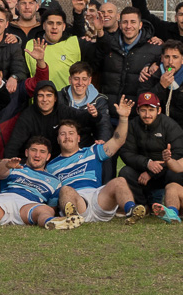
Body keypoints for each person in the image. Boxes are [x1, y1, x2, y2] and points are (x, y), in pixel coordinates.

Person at [46, 96, 139, 225]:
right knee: (65, 190)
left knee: (120, 181)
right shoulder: (51, 166)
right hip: (77, 202)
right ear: (58, 139)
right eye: (63, 134)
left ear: (78, 138)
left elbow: (118, 141)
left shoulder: (92, 151)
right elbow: (51, 195)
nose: (67, 137)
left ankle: (131, 210)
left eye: (71, 133)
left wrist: (123, 118)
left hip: (98, 198)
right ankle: (73, 218)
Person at [117, 91, 183, 211]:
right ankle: (142, 207)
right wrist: (147, 163)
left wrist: (153, 172)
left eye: (151, 110)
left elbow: (181, 154)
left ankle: (177, 208)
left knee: (177, 172)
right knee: (125, 172)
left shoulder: (170, 125)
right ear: (137, 111)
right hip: (143, 171)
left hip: (165, 171)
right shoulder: (132, 125)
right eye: (143, 110)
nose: (147, 114)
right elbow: (126, 153)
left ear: (159, 110)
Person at [95, 6, 162, 104]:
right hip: (109, 110)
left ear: (140, 25)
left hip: (138, 113)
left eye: (133, 22)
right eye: (125, 22)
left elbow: (170, 68)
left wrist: (156, 63)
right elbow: (93, 64)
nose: (128, 26)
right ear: (120, 25)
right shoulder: (109, 45)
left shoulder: (155, 48)